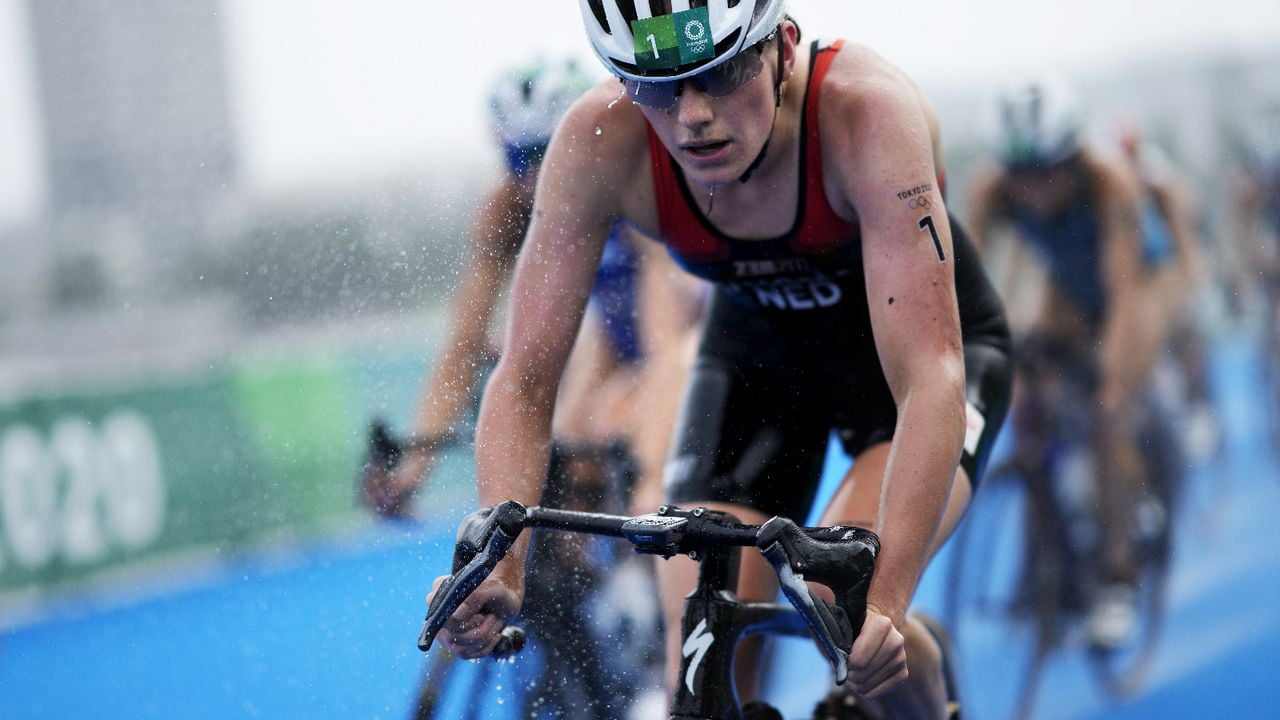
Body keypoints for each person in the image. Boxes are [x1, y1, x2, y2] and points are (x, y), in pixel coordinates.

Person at [431, 3, 1013, 719]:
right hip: (761, 353)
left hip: (906, 365)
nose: (692, 115)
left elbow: (930, 376)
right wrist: (504, 562)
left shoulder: (866, 111)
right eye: (658, 87)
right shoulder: (599, 137)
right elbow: (524, 375)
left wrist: (886, 605)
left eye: (722, 72)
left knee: (847, 613)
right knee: (701, 640)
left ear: (784, 46)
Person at [361, 55, 697, 719]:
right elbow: (465, 348)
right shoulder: (503, 213)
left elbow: (666, 354)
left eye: (549, 150)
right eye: (519, 159)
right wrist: (416, 462)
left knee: (611, 438)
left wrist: (649, 479)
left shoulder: (628, 179)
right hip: (607, 352)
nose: (536, 176)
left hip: (686, 341)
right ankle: (584, 614)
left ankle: (657, 644)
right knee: (554, 441)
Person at [966, 73, 1186, 649]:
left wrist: (1111, 379)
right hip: (1069, 291)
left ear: (1073, 156)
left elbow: (1120, 298)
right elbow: (963, 290)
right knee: (1027, 406)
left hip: (1139, 284)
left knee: (1106, 406)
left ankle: (1117, 575)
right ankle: (1047, 566)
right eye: (1021, 176)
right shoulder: (992, 190)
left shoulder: (1110, 182)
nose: (1033, 190)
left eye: (1047, 173)